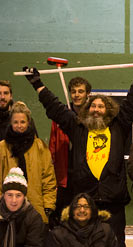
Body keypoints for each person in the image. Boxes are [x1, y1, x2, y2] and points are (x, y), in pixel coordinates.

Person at [25, 59, 133, 247]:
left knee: (117, 246)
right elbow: (55, 109)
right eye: (93, 106)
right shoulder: (78, 127)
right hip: (85, 201)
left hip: (112, 200)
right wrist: (38, 84)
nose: (96, 109)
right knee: (85, 246)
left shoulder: (119, 126)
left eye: (101, 106)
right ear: (86, 109)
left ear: (108, 110)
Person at [0, 101, 57, 223]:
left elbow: (49, 179)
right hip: (7, 210)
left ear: (29, 123)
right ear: (10, 123)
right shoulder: (1, 148)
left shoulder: (40, 147)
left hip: (36, 209)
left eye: (23, 122)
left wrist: (48, 206)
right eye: (16, 122)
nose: (19, 125)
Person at [50, 76, 92, 219]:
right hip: (65, 176)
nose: (77, 95)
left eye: (81, 91)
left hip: (85, 176)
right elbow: (53, 148)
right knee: (63, 216)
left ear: (88, 94)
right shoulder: (61, 118)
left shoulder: (92, 118)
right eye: (73, 91)